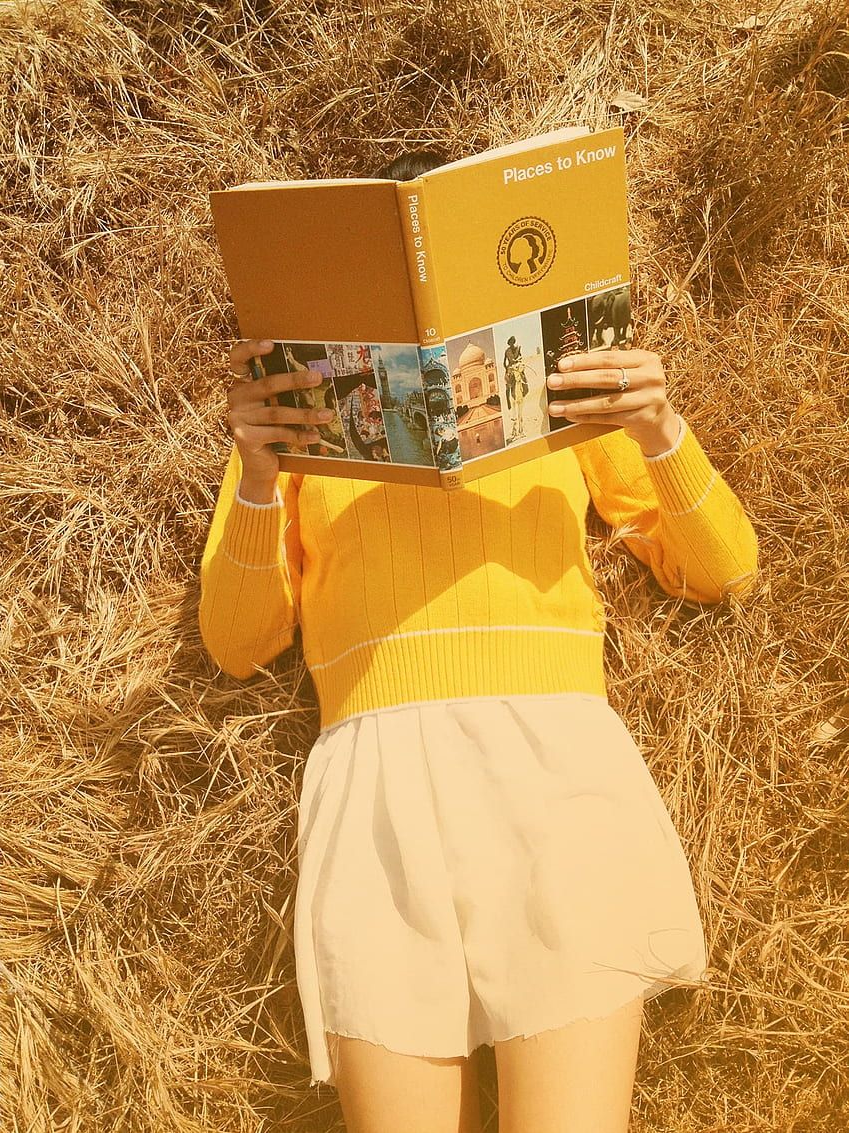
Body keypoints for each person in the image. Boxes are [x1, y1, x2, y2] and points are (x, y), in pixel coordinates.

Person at [198, 148, 759, 1133]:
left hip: (553, 766)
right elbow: (237, 642)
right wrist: (253, 469)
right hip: (374, 787)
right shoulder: (301, 433)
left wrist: (658, 424)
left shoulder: (574, 401)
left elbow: (724, 568)